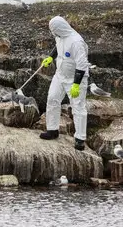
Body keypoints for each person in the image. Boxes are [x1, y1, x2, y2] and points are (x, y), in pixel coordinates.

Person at [39, 16, 90, 151]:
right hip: (60, 75)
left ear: (60, 27)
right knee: (52, 99)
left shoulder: (76, 42)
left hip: (75, 79)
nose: (53, 33)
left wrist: (76, 84)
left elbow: (82, 64)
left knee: (78, 107)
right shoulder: (60, 36)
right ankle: (52, 130)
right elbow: (57, 47)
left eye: (54, 30)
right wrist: (51, 57)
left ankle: (80, 139)